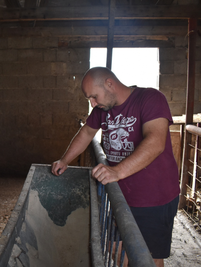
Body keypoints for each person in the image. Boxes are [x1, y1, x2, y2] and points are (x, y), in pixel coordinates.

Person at [51, 67, 180, 267]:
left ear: (110, 84)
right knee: (115, 247)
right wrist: (65, 160)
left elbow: (155, 141)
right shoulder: (102, 110)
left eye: (94, 96)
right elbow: (86, 133)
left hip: (154, 197)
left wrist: (117, 171)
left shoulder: (151, 98)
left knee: (149, 258)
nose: (93, 103)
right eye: (89, 99)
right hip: (120, 194)